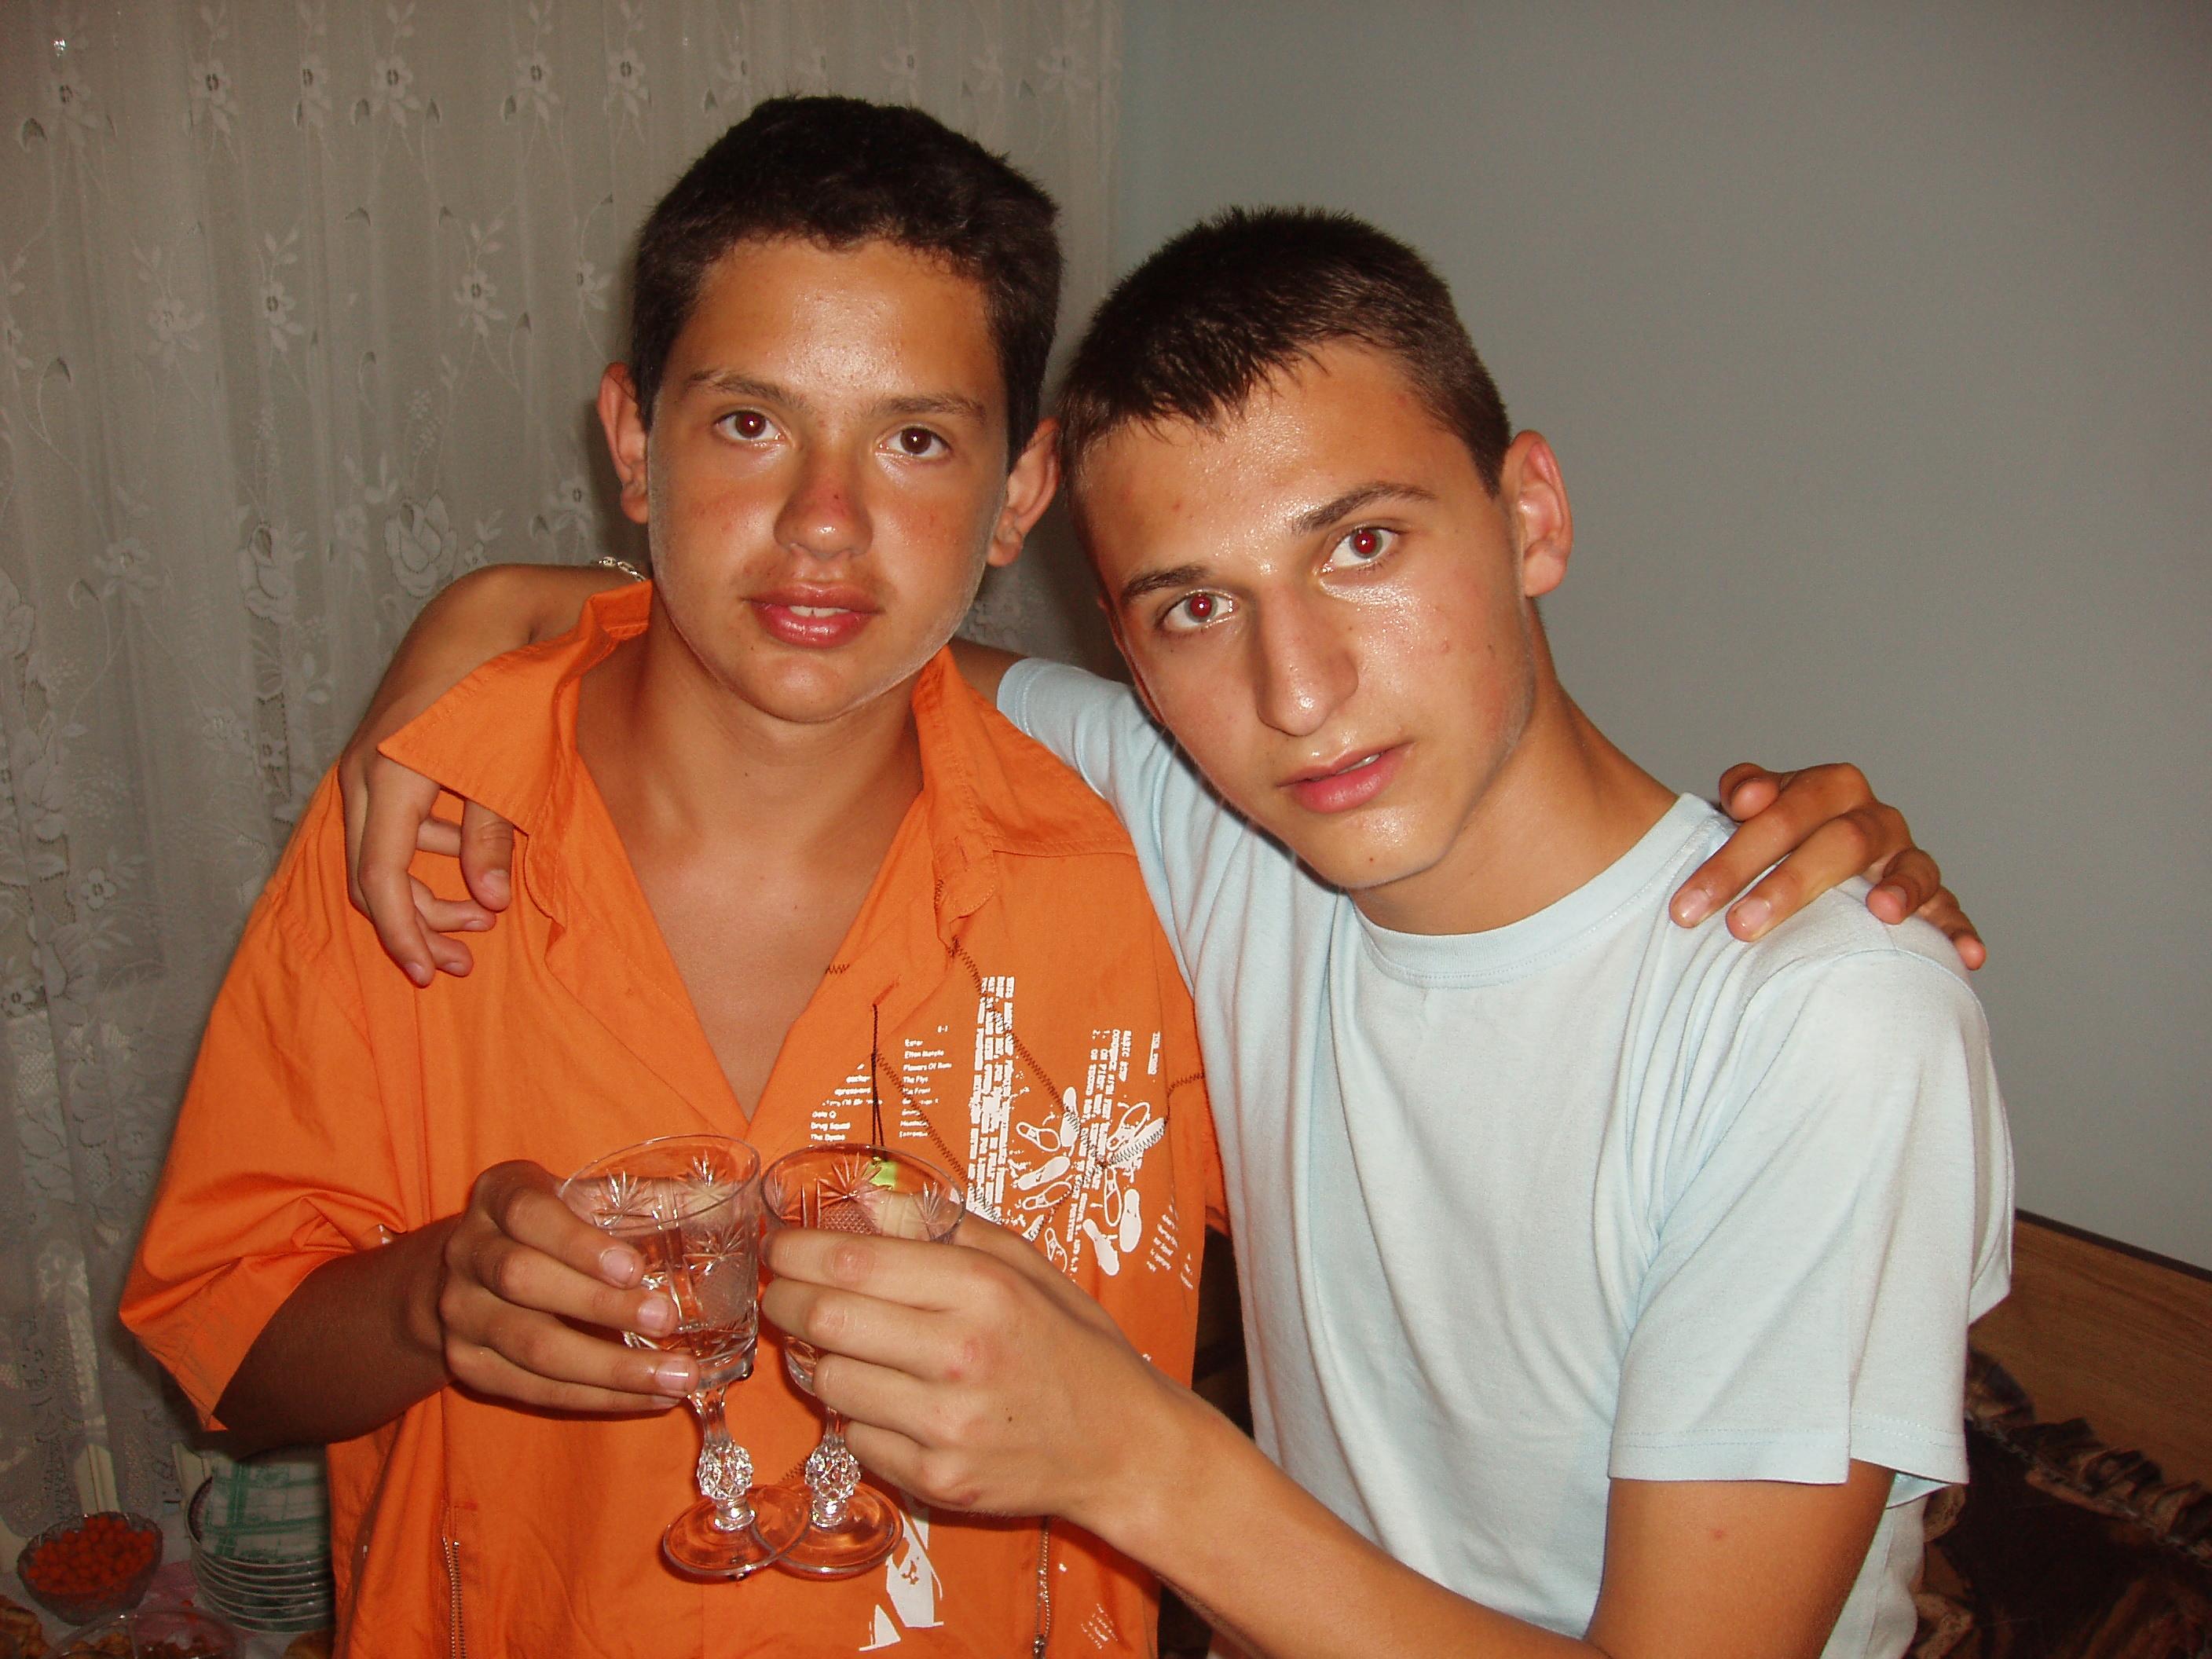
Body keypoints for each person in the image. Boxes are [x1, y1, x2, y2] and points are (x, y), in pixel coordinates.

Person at [335, 203, 1991, 1659]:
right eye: (1195, 607)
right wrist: (513, 606)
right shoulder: (1225, 822)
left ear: (1532, 515)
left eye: (1362, 544)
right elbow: (834, 642)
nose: (1297, 689)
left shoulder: (1823, 1020)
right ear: (1130, 655)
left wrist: (1129, 1453)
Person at [124, 97, 1232, 1658]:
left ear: (1022, 493)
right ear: (634, 443)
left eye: (915, 441)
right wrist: (437, 1300)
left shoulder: (1144, 885)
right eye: (749, 424)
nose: (824, 523)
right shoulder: (423, 826)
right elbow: (233, 1360)